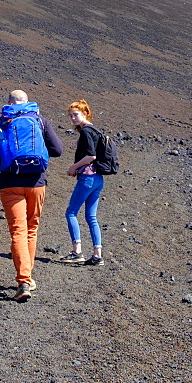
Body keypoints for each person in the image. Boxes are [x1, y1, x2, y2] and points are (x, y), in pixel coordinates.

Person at [0, 90, 63, 301]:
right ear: (27, 103)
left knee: (18, 230)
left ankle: (23, 281)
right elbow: (57, 150)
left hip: (10, 183)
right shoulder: (40, 119)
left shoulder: (2, 120)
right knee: (31, 229)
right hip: (36, 182)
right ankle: (28, 277)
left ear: (9, 103)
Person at [60, 99, 105, 266]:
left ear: (85, 113)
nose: (72, 118)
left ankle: (77, 251)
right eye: (70, 115)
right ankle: (97, 255)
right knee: (91, 216)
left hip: (87, 177)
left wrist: (74, 167)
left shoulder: (86, 132)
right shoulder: (95, 131)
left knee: (71, 212)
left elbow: (91, 156)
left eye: (76, 114)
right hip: (98, 178)